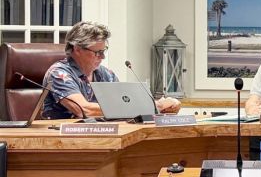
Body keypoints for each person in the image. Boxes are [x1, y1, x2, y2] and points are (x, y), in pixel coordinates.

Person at [42, 21, 181, 119]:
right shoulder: (59, 73)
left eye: (104, 51)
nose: (102, 57)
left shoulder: (105, 74)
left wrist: (164, 108)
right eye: (97, 52)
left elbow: (124, 103)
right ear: (77, 49)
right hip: (64, 139)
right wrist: (153, 107)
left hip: (104, 134)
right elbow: (83, 110)